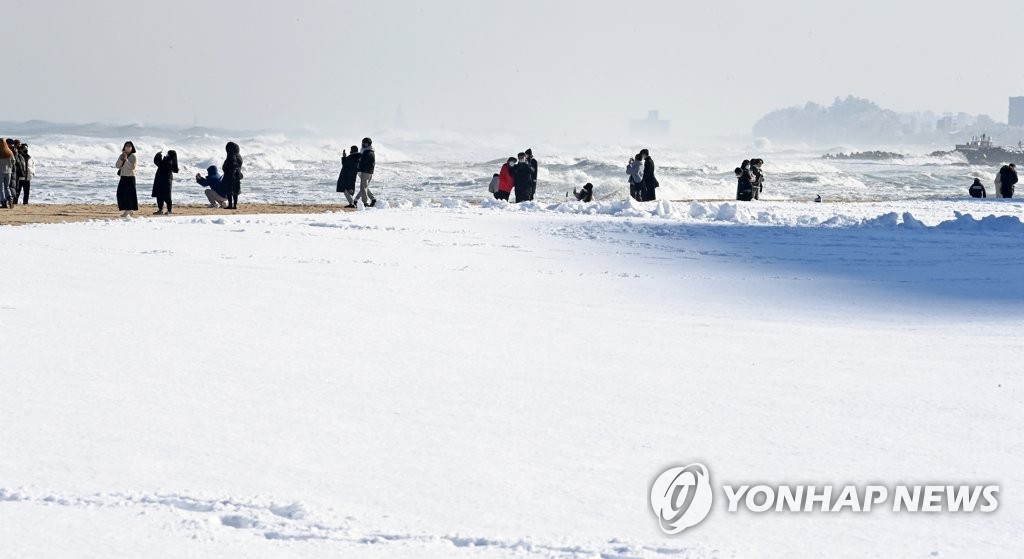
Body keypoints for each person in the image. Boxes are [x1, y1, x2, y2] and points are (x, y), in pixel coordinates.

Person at [151, 150, 179, 214]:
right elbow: (159, 163)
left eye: (168, 153)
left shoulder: (169, 161)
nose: (166, 154)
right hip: (162, 180)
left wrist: (158, 155)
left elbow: (159, 164)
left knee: (166, 196)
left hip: (165, 181)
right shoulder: (168, 160)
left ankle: (169, 210)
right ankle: (161, 210)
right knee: (160, 196)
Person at [116, 141, 139, 217]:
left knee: (130, 195)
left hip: (130, 177)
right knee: (120, 193)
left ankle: (128, 210)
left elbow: (132, 167)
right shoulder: (121, 155)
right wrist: (122, 159)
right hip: (123, 177)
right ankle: (127, 210)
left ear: (132, 148)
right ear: (124, 147)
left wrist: (126, 160)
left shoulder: (133, 156)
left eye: (129, 146)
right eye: (126, 146)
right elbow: (117, 166)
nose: (128, 147)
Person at [355, 137, 376, 207]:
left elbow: (362, 162)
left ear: (368, 144)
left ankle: (365, 203)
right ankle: (372, 199)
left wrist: (358, 168)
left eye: (364, 143)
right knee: (365, 187)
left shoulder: (367, 152)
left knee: (363, 187)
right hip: (368, 172)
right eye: (362, 142)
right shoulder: (368, 151)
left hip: (366, 172)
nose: (363, 144)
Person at [222, 141, 243, 209]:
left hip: (230, 176)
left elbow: (228, 166)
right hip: (237, 175)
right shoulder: (239, 156)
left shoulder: (230, 156)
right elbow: (238, 166)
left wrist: (225, 169)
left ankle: (230, 205)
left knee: (229, 191)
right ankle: (235, 205)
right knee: (235, 191)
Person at [0, 138, 13, 208]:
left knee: (1, 188)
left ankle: (3, 202)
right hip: (9, 172)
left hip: (0, 172)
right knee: (7, 187)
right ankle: (10, 199)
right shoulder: (9, 152)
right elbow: (13, 162)